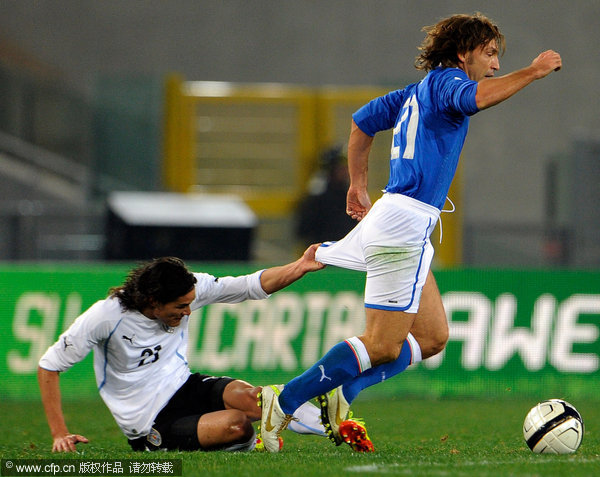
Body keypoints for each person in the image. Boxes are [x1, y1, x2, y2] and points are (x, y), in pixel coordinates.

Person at [260, 12, 562, 453]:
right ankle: (283, 401)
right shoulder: (446, 84)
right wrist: (533, 71)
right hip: (403, 223)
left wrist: (358, 183)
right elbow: (479, 97)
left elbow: (362, 121)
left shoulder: (414, 93)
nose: (496, 65)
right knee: (383, 344)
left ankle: (339, 396)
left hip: (400, 219)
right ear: (463, 53)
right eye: (491, 54)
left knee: (432, 336)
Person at [38, 245, 336, 453]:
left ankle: (322, 422)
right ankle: (237, 443)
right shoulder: (105, 316)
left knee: (252, 397)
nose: (188, 312)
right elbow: (49, 366)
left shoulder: (191, 288)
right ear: (153, 301)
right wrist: (59, 433)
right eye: (180, 307)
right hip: (149, 420)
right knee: (237, 425)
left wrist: (299, 267)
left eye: (190, 303)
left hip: (184, 385)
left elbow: (249, 285)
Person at [296, 145, 356, 247]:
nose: (345, 171)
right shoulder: (317, 198)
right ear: (331, 169)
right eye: (341, 167)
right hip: (322, 253)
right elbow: (303, 231)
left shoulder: (351, 194)